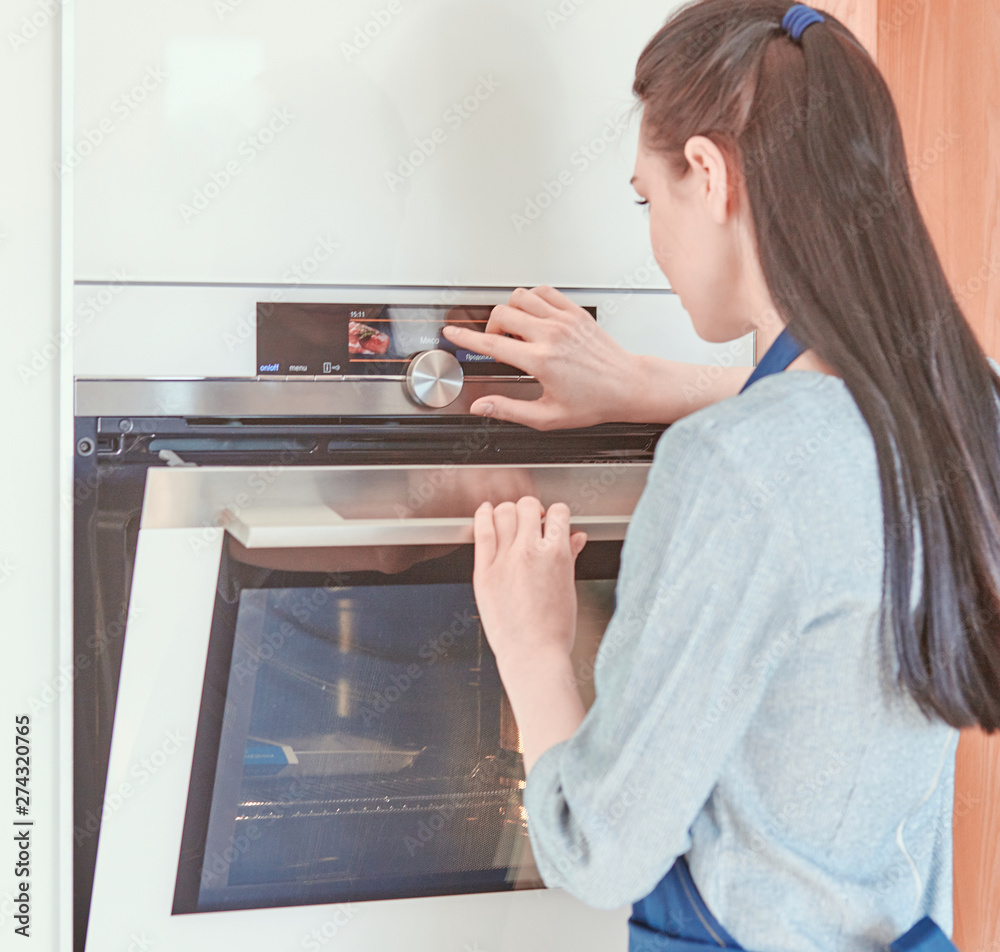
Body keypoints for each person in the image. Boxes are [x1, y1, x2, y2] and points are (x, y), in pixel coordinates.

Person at [440, 3, 1000, 952]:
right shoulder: (964, 413)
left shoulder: (734, 467)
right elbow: (832, 420)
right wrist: (640, 383)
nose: (652, 239)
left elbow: (599, 850)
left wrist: (535, 644)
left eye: (644, 200)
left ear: (707, 173)